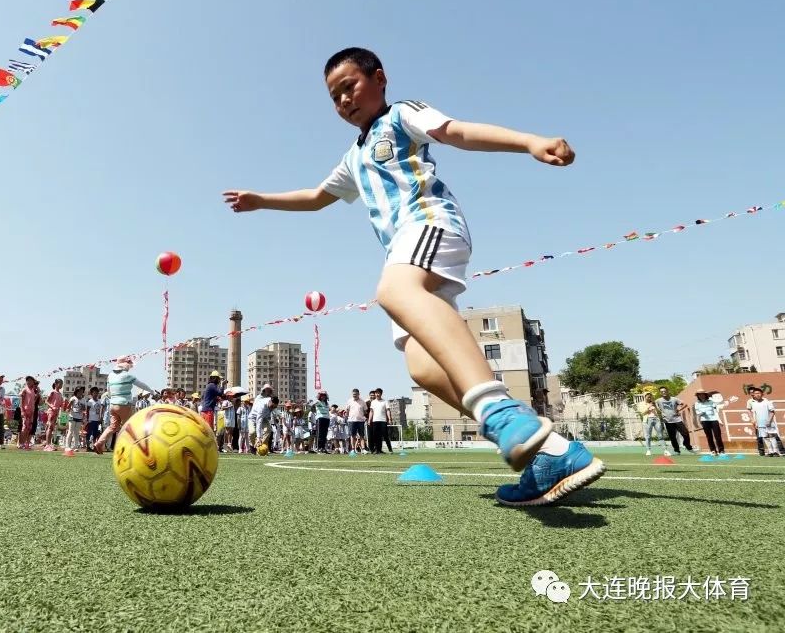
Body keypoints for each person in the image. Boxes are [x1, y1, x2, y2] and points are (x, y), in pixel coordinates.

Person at [223, 47, 602, 505]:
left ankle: (500, 411)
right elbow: (317, 196)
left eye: (351, 87)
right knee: (422, 365)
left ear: (379, 79)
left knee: (393, 289)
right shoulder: (354, 156)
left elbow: (457, 131)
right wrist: (261, 199)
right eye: (334, 97)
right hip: (407, 254)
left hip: (429, 225)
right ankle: (554, 452)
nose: (344, 101)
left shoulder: (402, 115)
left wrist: (528, 142)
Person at [94, 358, 152, 455]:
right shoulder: (128, 375)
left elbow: (108, 391)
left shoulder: (110, 375)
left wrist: (113, 398)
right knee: (128, 427)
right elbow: (141, 385)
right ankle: (127, 449)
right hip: (124, 404)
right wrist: (152, 391)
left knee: (112, 427)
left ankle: (99, 443)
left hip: (113, 405)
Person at [656, 387, 693, 455]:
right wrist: (660, 414)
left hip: (677, 419)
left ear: (667, 391)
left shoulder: (674, 399)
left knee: (685, 433)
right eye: (662, 391)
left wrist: (679, 410)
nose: (663, 392)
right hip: (668, 421)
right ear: (660, 393)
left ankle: (687, 445)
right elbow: (656, 409)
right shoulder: (658, 400)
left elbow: (685, 404)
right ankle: (677, 450)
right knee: (672, 437)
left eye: (664, 391)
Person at [746, 386, 779, 457]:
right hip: (760, 424)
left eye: (758, 393)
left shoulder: (767, 402)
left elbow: (772, 412)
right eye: (755, 393)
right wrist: (755, 423)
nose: (757, 394)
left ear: (762, 394)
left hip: (769, 423)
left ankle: (776, 452)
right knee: (765, 437)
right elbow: (754, 414)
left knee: (772, 436)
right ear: (753, 395)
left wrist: (769, 421)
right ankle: (770, 452)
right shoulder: (753, 404)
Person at [692, 390, 725, 455]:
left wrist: (719, 421)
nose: (701, 395)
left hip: (714, 420)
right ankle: (713, 450)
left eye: (702, 394)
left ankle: (721, 451)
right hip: (704, 421)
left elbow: (715, 412)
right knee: (709, 436)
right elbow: (697, 413)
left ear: (705, 395)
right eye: (699, 394)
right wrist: (702, 413)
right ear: (698, 396)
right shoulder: (697, 403)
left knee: (718, 436)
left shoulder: (711, 402)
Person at [19, 377, 39, 450]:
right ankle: (22, 443)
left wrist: (38, 393)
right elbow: (21, 400)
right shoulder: (24, 390)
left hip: (32, 411)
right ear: (26, 382)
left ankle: (27, 443)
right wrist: (22, 411)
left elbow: (34, 400)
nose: (30, 382)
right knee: (24, 428)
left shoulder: (33, 390)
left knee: (29, 428)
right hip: (25, 411)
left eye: (31, 381)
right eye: (28, 381)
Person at [345, 388, 368, 454]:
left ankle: (363, 449)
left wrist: (364, 417)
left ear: (359, 394)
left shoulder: (363, 401)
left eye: (355, 394)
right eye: (353, 394)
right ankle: (353, 449)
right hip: (352, 421)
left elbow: (365, 411)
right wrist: (347, 418)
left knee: (361, 435)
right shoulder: (349, 401)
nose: (354, 395)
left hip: (361, 421)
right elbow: (347, 411)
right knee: (353, 435)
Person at [64, 386, 86, 451]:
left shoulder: (83, 400)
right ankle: (67, 446)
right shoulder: (73, 398)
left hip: (79, 418)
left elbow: (84, 409)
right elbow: (68, 407)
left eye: (82, 392)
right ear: (76, 392)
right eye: (79, 391)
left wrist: (82, 408)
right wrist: (71, 404)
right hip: (72, 417)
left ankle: (76, 447)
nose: (80, 393)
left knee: (76, 432)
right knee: (70, 431)